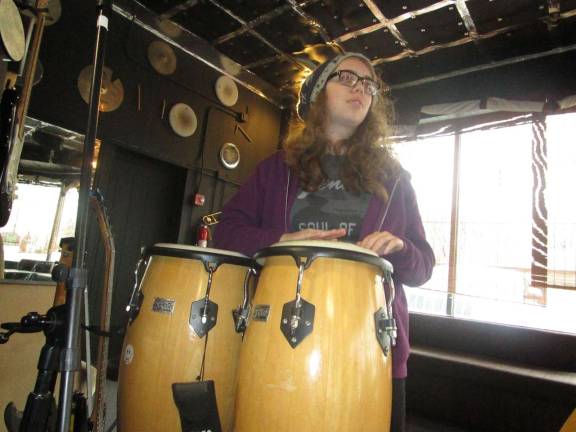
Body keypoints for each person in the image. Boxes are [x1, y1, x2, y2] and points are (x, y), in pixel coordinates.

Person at [214, 52, 435, 432]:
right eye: (347, 78)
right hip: (279, 336)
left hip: (371, 345)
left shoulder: (395, 179)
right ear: (319, 93)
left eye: (368, 84)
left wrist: (399, 248)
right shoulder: (276, 169)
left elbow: (424, 267)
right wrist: (281, 239)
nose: (360, 88)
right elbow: (227, 231)